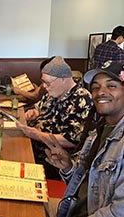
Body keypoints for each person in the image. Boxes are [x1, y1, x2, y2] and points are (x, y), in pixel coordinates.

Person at [45, 61, 124, 217]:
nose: (101, 92)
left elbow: (118, 212)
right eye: (95, 87)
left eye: (111, 86)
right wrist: (68, 168)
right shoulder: (96, 133)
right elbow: (88, 187)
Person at [20, 56, 93, 179]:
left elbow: (72, 140)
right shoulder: (53, 93)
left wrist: (37, 135)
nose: (44, 86)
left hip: (53, 160)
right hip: (33, 147)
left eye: (47, 83)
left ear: (63, 79)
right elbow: (39, 108)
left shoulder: (82, 99)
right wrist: (33, 112)